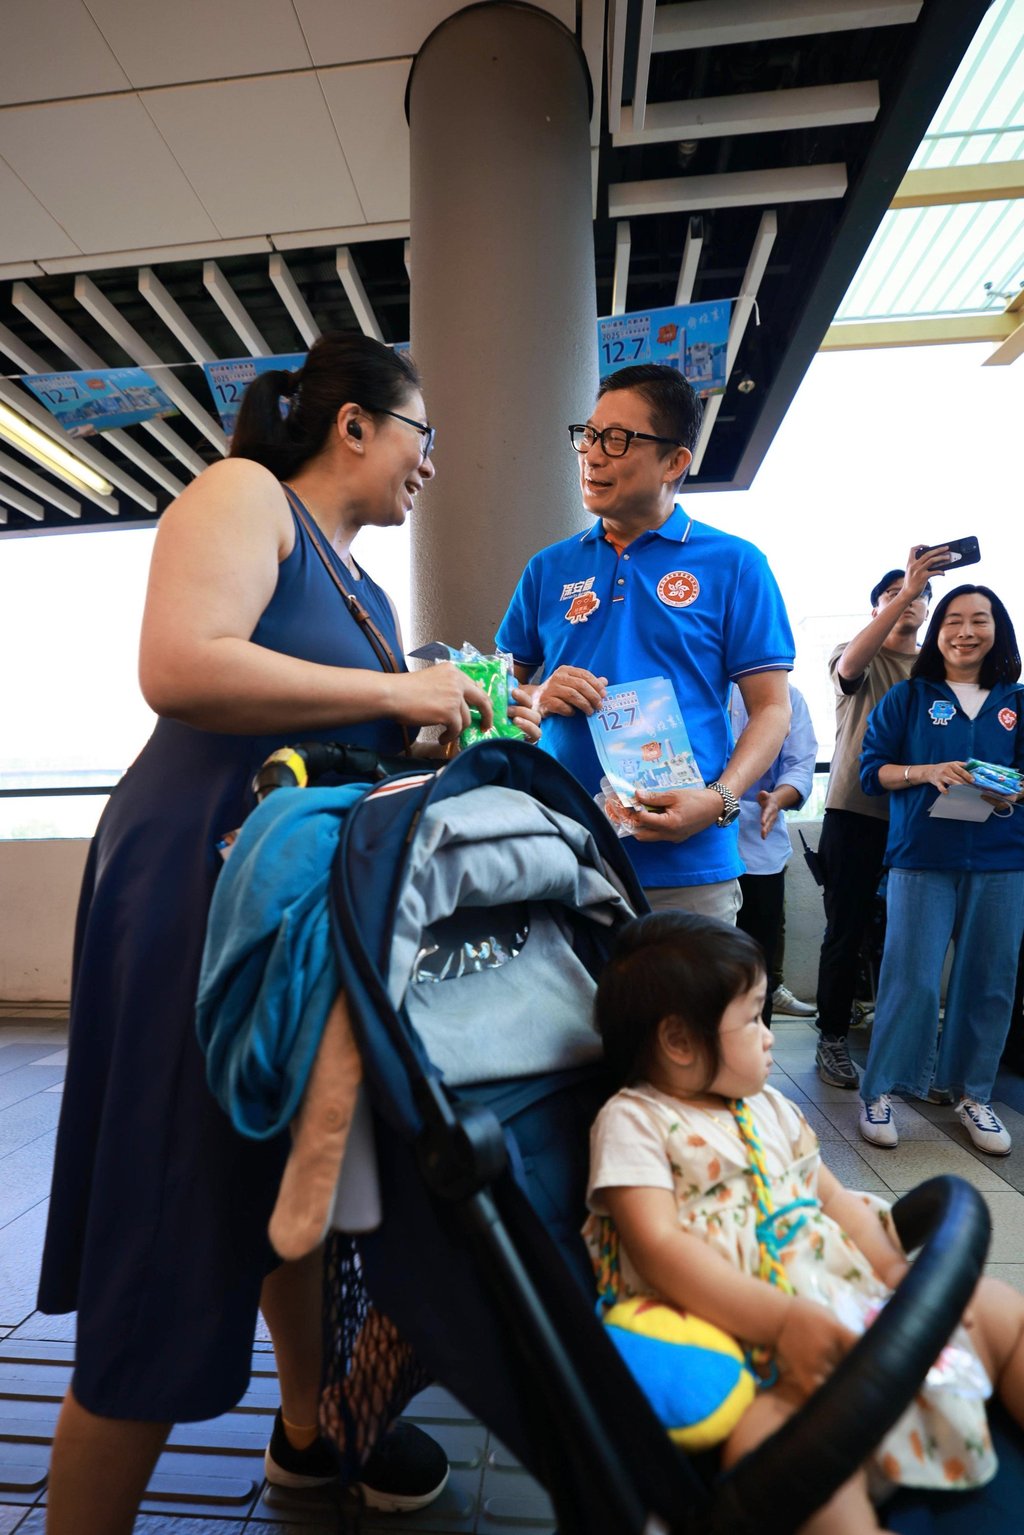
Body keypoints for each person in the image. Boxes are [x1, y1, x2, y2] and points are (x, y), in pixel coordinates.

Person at [37, 334, 539, 1535]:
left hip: (290, 910)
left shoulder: (361, 588)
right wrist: (394, 692)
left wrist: (433, 721)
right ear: (356, 425)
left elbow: (332, 734)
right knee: (172, 1211)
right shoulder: (242, 492)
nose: (431, 465)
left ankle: (310, 1433)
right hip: (199, 893)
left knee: (282, 1174)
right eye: (425, 436)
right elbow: (181, 664)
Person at [585, 911, 1024, 1534]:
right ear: (680, 1042)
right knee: (775, 1454)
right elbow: (657, 1247)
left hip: (853, 1308)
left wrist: (901, 1282)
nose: (769, 1036)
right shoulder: (635, 1121)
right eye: (753, 1017)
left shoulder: (770, 1107)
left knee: (1001, 1310)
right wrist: (783, 1320)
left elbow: (839, 1203)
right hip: (763, 1354)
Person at [496, 364, 793, 926]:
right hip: (561, 850)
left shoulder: (735, 564)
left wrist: (719, 800)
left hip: (688, 864)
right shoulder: (547, 568)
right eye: (588, 435)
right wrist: (535, 695)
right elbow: (496, 691)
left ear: (676, 461)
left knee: (684, 1017)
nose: (592, 454)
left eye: (618, 439)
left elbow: (771, 708)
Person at [857, 584, 1024, 1154]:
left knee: (990, 984)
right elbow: (871, 771)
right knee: (912, 981)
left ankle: (973, 1094)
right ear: (938, 631)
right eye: (953, 620)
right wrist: (925, 772)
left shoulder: (1017, 702)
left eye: (980, 620)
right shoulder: (908, 696)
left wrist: (1007, 790)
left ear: (997, 629)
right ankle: (879, 1092)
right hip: (922, 859)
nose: (966, 631)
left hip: (1002, 862)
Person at [812, 550, 939, 1090]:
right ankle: (832, 1039)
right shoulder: (855, 654)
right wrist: (907, 591)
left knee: (914, 939)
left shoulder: (937, 671)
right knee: (847, 930)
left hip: (922, 819)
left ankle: (909, 1052)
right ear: (877, 609)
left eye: (917, 596)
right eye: (890, 595)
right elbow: (849, 668)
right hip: (856, 813)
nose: (906, 600)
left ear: (929, 610)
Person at [730, 682, 817, 1022]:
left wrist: (779, 797)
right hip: (694, 845)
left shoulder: (787, 695)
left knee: (756, 964)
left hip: (759, 847)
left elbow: (799, 765)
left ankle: (750, 1058)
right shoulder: (692, 682)